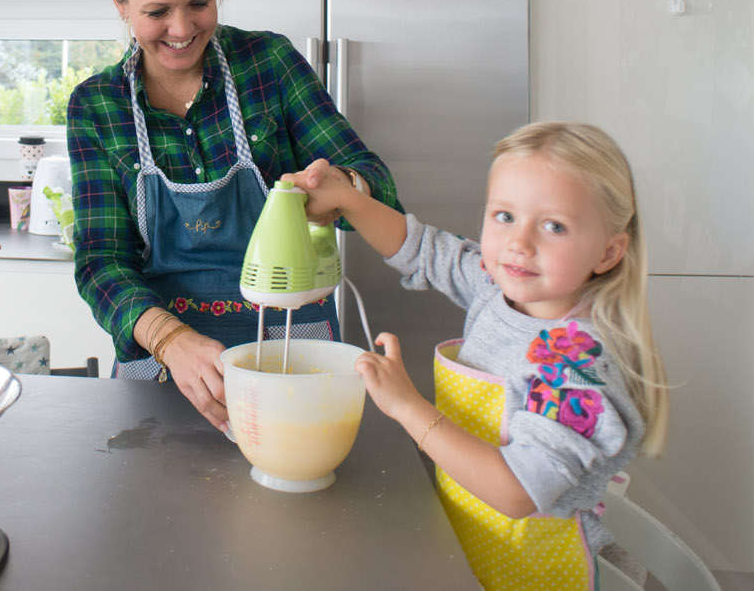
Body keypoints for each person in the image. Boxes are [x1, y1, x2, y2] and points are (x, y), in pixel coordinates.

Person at [286, 121, 668, 591]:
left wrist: (407, 406)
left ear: (608, 252)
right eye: (504, 216)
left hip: (540, 576)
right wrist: (347, 199)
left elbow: (516, 491)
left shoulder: (575, 366)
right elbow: (423, 250)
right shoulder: (498, 288)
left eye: (554, 226)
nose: (519, 243)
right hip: (477, 557)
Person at [67, 0, 398, 431]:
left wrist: (342, 187)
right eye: (157, 12)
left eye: (199, 3)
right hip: (162, 362)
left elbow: (376, 183)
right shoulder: (97, 105)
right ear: (120, 3)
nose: (181, 28)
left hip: (293, 345)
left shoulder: (268, 64)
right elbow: (101, 262)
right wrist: (170, 339)